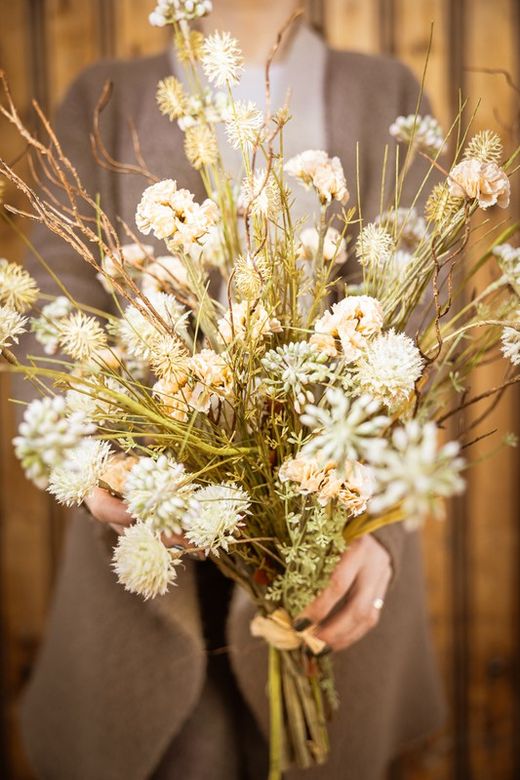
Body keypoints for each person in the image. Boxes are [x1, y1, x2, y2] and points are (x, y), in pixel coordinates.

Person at [16, 1, 445, 778]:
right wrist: (93, 466)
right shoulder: (100, 95)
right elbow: (52, 310)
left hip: (334, 552)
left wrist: (377, 527)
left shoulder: (389, 93)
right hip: (151, 558)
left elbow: (423, 332)